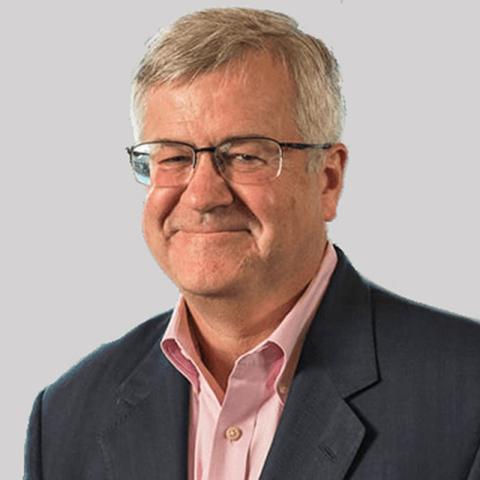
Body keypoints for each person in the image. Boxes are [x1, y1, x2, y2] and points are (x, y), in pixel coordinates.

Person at [24, 7, 480, 480]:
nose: (202, 196)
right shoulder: (66, 417)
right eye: (175, 157)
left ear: (328, 179)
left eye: (244, 155)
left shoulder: (466, 396)